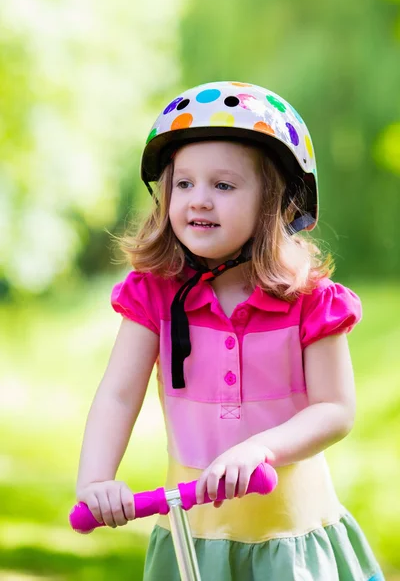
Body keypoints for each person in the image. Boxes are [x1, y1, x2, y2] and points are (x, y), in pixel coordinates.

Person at [75, 81, 384, 580]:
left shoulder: (311, 300)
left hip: (291, 538)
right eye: (184, 184)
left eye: (223, 185)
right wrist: (95, 481)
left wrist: (261, 447)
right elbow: (117, 394)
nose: (199, 200)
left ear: (274, 201)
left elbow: (336, 409)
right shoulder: (153, 295)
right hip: (195, 543)